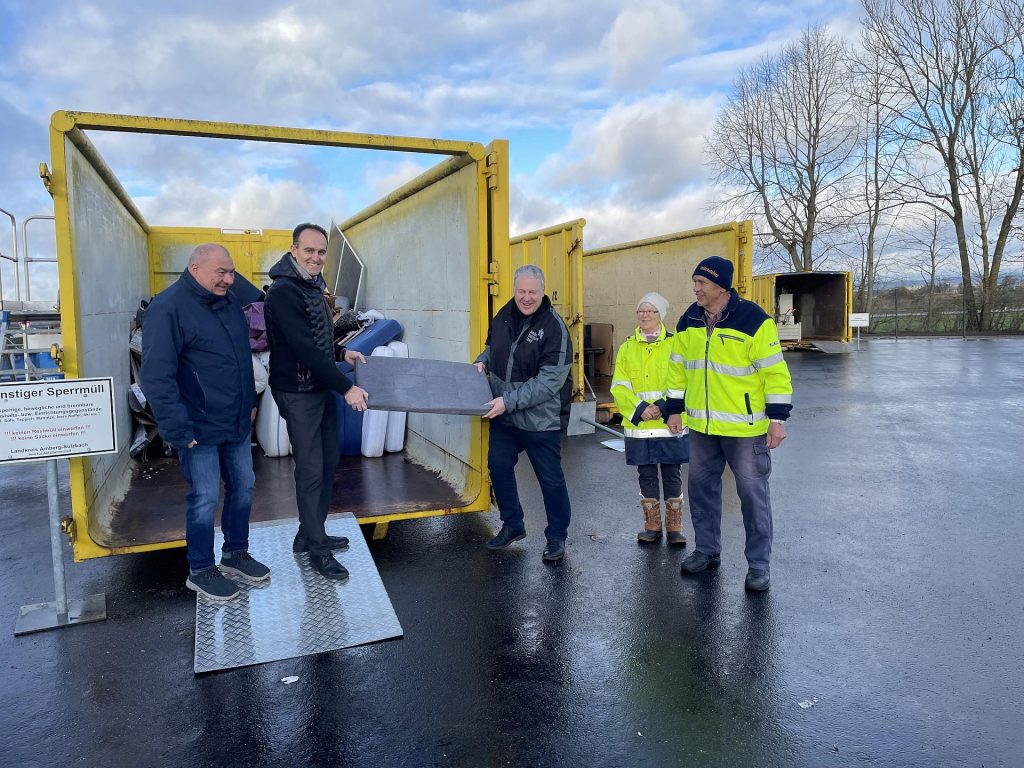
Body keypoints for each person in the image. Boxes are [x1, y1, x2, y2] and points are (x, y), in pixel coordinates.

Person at [141, 243, 270, 601]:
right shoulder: (167, 309)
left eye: (231, 272)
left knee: (244, 486)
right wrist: (179, 430)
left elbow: (241, 359)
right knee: (203, 498)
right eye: (222, 273)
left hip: (236, 419)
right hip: (197, 428)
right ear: (195, 269)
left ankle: (235, 554)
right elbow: (156, 377)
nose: (230, 280)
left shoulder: (227, 301)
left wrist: (250, 403)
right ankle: (200, 569)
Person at [665, 256, 792, 592]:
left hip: (745, 430)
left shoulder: (754, 321)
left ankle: (758, 566)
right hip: (702, 429)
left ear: (721, 285)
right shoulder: (688, 320)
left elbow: (775, 374)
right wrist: (674, 408)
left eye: (702, 283)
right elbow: (677, 368)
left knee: (752, 496)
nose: (696, 289)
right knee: (701, 490)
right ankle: (707, 550)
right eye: (695, 282)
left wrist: (777, 420)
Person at [264, 223, 369, 581]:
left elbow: (318, 339)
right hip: (297, 391)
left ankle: (309, 533)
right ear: (293, 250)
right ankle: (318, 552)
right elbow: (303, 348)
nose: (316, 258)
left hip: (317, 387)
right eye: (309, 251)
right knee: (310, 469)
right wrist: (346, 387)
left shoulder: (312, 285)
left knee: (327, 463)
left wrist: (343, 351)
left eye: (321, 252)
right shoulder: (282, 292)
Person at [475, 265, 574, 562]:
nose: (527, 298)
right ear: (514, 289)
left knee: (550, 480)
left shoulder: (555, 327)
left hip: (540, 419)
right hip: (506, 415)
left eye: (533, 292)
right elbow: (492, 348)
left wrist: (507, 401)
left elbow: (549, 382)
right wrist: (482, 362)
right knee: (499, 466)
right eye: (522, 291)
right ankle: (513, 524)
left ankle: (557, 536)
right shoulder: (503, 315)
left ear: (543, 291)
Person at [610, 292, 690, 545]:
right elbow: (619, 386)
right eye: (640, 311)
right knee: (646, 475)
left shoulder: (675, 344)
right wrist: (641, 408)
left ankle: (675, 527)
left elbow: (684, 380)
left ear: (660, 316)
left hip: (668, 423)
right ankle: (652, 525)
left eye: (650, 311)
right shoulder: (627, 348)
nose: (644, 315)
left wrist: (664, 407)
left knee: (671, 473)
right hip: (641, 425)